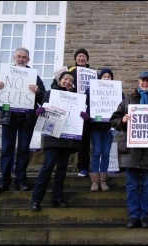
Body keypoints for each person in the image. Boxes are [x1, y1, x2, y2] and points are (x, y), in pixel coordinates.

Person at [110, 71, 148, 228]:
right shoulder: (128, 100)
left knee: (147, 186)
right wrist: (122, 120)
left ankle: (144, 216)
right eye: (143, 81)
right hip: (131, 151)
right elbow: (114, 121)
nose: (145, 83)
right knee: (131, 186)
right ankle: (133, 216)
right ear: (138, 81)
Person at [30, 71, 89, 211]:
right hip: (53, 136)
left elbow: (83, 118)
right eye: (65, 79)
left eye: (70, 80)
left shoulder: (77, 98)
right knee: (48, 166)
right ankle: (36, 199)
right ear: (60, 80)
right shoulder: (50, 93)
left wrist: (85, 117)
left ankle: (57, 197)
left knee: (62, 168)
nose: (68, 82)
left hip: (68, 138)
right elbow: (42, 112)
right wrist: (39, 111)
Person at [0, 47, 46, 193]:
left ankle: (21, 181)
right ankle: (4, 181)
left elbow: (44, 99)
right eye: (19, 57)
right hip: (8, 118)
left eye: (24, 57)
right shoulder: (4, 75)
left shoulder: (34, 76)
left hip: (26, 120)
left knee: (23, 150)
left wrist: (38, 91)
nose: (21, 59)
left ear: (28, 60)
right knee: (6, 150)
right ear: (14, 58)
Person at [51, 48, 93, 177]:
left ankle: (83, 168)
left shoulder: (93, 73)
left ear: (87, 59)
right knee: (64, 139)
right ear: (75, 58)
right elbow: (54, 87)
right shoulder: (67, 71)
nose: (81, 58)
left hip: (84, 110)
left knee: (84, 141)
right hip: (69, 109)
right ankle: (59, 166)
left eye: (84, 56)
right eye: (79, 56)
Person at [86, 68, 116, 191]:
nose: (107, 78)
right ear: (100, 78)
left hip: (109, 127)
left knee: (106, 152)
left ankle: (103, 181)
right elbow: (85, 104)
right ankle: (94, 181)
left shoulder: (117, 91)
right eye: (104, 76)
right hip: (95, 126)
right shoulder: (91, 90)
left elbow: (121, 106)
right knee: (96, 152)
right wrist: (87, 115)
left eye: (109, 76)